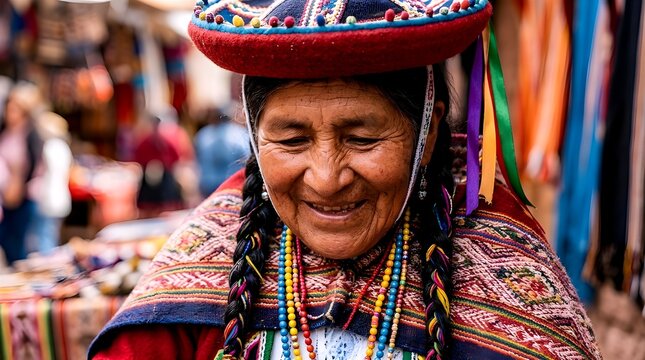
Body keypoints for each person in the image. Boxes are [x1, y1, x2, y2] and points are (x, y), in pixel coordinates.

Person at [90, 1, 602, 359]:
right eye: (291, 141)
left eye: (361, 139)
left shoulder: (511, 270)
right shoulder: (204, 263)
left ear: (426, 137)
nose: (327, 178)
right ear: (254, 141)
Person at [0, 81, 43, 265]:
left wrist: (18, 186)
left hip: (22, 197)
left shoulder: (32, 134)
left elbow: (33, 164)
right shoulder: (5, 131)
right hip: (5, 196)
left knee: (19, 245)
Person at [194, 105, 250, 198]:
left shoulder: (202, 135)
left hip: (208, 185)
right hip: (232, 185)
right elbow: (247, 158)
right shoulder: (239, 134)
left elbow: (198, 159)